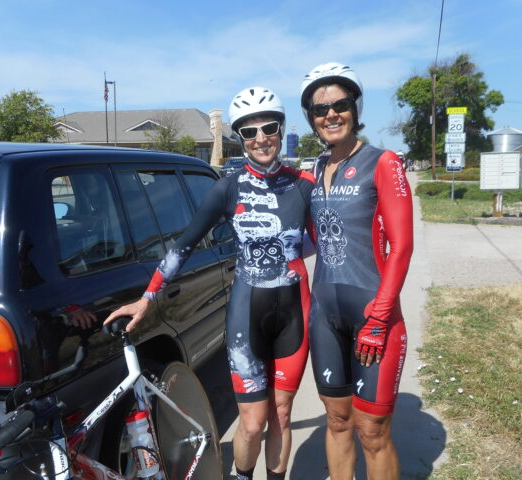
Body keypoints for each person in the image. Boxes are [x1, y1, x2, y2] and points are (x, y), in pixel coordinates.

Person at [105, 87, 315, 480]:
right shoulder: (228, 186)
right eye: (248, 132)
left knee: (281, 414)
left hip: (294, 313)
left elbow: (332, 243)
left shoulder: (304, 184)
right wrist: (147, 298)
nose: (260, 138)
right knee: (252, 423)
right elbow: (182, 246)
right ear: (240, 138)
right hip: (246, 314)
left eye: (269, 127)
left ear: (281, 127)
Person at [299, 62, 414, 479]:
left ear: (354, 108)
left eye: (340, 104)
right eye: (319, 109)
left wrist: (380, 317)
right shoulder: (313, 170)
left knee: (372, 430)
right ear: (310, 119)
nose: (330, 114)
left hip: (373, 313)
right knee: (337, 422)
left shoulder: (382, 162)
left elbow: (402, 247)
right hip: (325, 316)